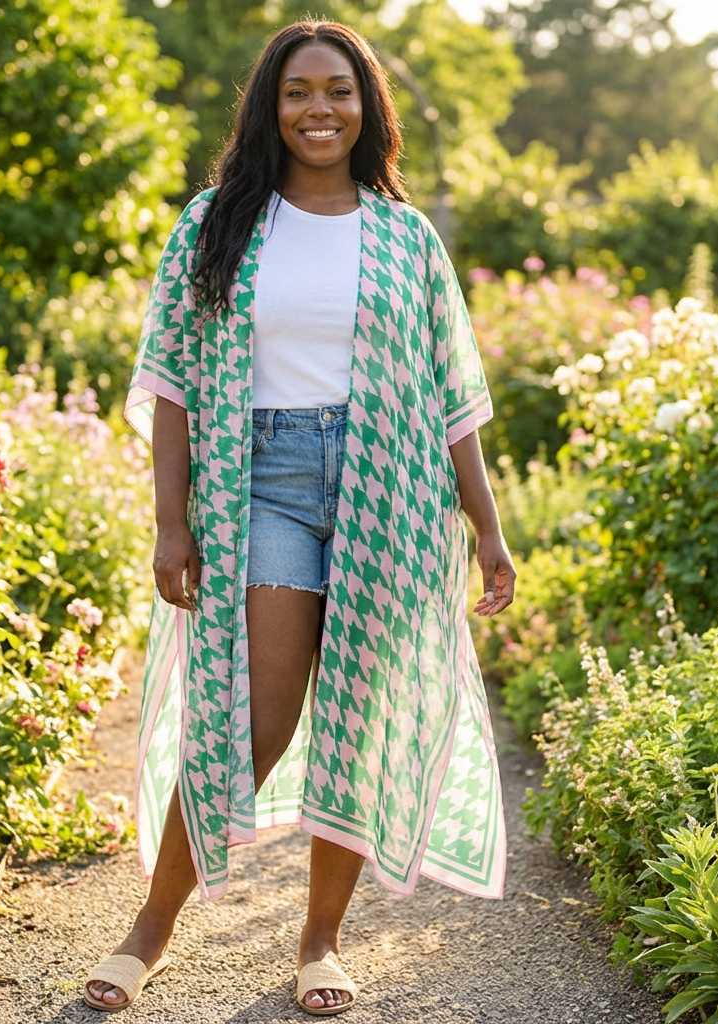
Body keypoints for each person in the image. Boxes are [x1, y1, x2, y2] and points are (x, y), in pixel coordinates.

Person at [83, 19, 517, 1017]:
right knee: (255, 721)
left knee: (359, 722)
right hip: (261, 483)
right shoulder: (217, 222)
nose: (319, 109)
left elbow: (452, 396)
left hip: (392, 491)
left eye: (338, 91)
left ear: (367, 108)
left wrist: (486, 528)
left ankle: (320, 941)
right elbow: (174, 383)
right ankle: (150, 928)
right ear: (269, 108)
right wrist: (170, 524)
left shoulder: (405, 236)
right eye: (298, 92)